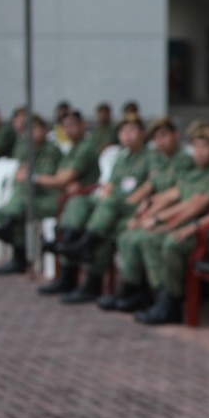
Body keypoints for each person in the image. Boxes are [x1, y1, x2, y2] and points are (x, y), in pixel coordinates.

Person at [110, 121, 209, 315]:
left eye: (205, 146)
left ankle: (169, 300)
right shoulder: (195, 172)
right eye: (196, 146)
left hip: (207, 232)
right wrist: (146, 214)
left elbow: (194, 205)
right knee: (130, 235)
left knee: (154, 240)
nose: (199, 152)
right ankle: (138, 291)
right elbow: (172, 195)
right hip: (187, 225)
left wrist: (163, 222)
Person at [139, 118, 209, 325]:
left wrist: (194, 226)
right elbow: (187, 198)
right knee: (161, 239)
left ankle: (173, 303)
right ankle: (166, 299)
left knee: (172, 244)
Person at [47, 113, 152, 305]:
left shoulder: (150, 158)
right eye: (122, 131)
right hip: (110, 210)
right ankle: (71, 241)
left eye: (131, 130)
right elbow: (109, 186)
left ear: (142, 133)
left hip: (132, 209)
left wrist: (114, 197)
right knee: (78, 201)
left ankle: (88, 266)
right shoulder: (122, 158)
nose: (126, 135)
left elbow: (146, 191)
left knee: (106, 224)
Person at [95, 116, 194, 311]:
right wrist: (139, 216)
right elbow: (151, 194)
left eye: (164, 135)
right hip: (159, 214)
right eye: (156, 137)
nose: (160, 141)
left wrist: (149, 218)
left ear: (176, 135)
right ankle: (134, 289)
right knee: (126, 237)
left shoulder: (183, 160)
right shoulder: (160, 160)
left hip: (177, 216)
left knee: (143, 239)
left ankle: (163, 296)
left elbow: (173, 195)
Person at [29, 110, 101, 295]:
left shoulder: (85, 148)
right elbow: (61, 180)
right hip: (70, 200)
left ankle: (67, 274)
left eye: (72, 125)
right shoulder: (70, 150)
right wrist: (60, 182)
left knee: (72, 215)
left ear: (83, 126)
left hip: (86, 200)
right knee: (66, 212)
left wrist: (36, 178)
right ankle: (65, 276)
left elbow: (61, 180)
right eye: (65, 126)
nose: (68, 130)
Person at [0, 114, 63, 274]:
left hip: (50, 198)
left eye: (34, 128)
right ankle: (18, 257)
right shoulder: (27, 151)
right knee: (14, 208)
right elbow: (19, 176)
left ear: (44, 129)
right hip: (32, 197)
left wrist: (32, 177)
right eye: (27, 130)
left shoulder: (51, 151)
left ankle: (9, 232)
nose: (31, 133)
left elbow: (48, 179)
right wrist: (30, 177)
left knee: (20, 207)